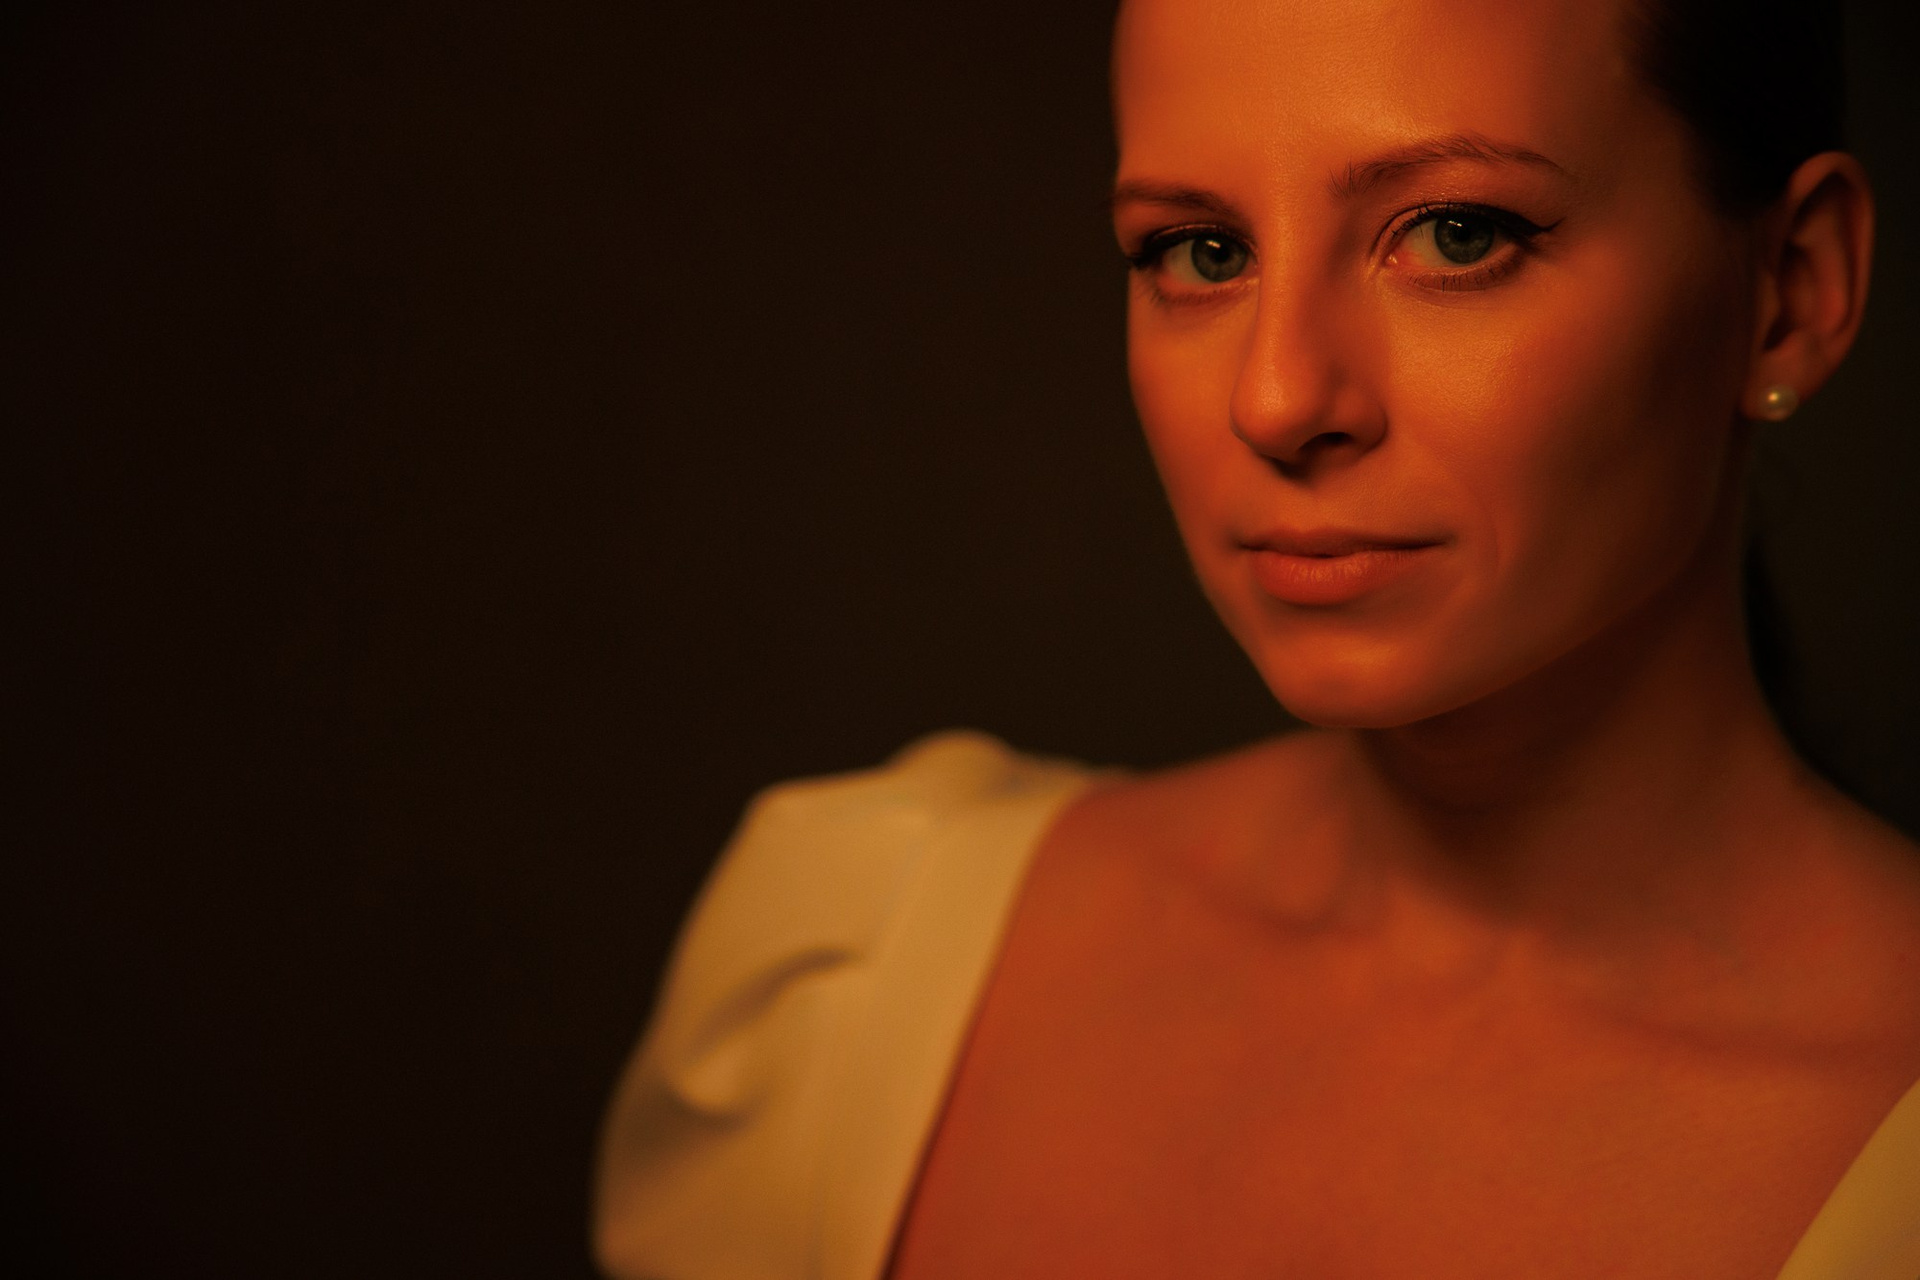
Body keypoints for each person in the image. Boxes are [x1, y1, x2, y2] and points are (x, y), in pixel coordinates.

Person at [594, 0, 1920, 1275]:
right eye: (1201, 252)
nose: (1278, 399)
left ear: (1792, 289)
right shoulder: (864, 991)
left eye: (1456, 234)